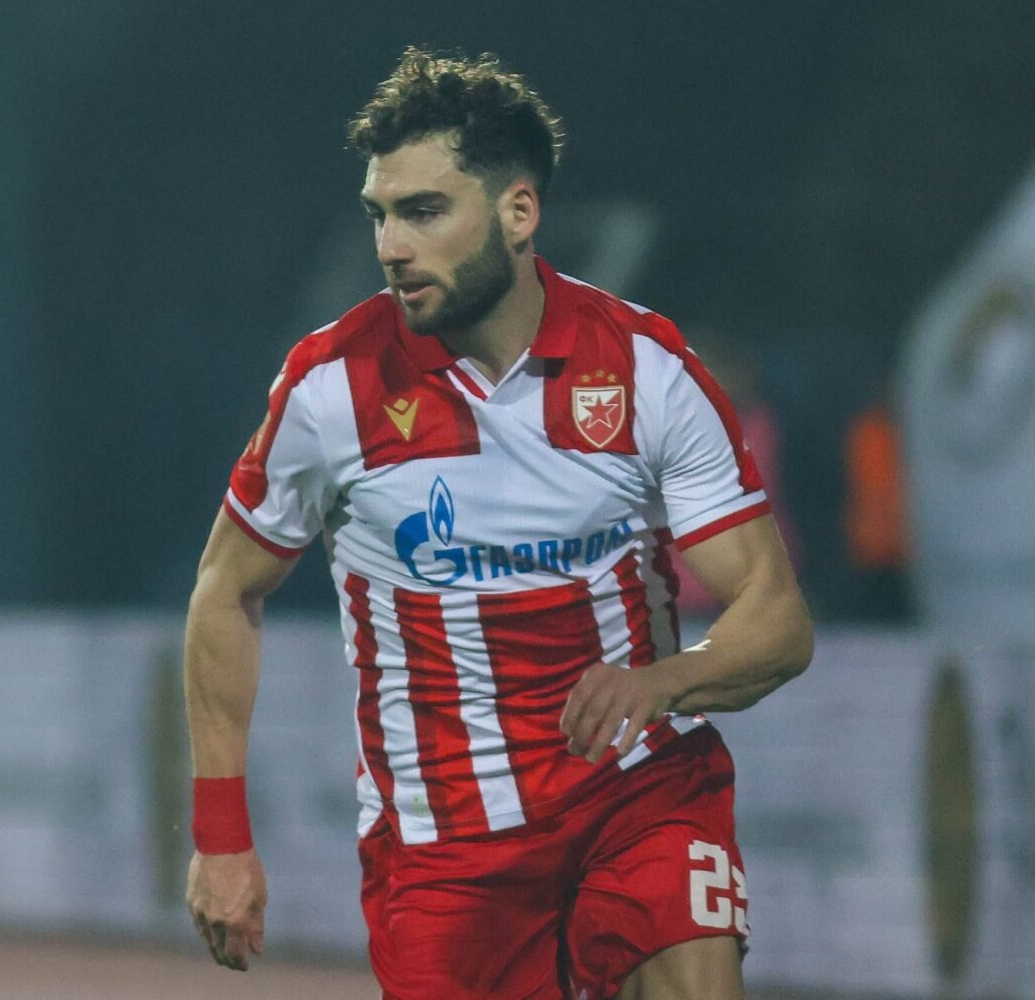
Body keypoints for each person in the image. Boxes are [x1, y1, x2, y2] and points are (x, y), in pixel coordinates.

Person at [182, 49, 814, 998]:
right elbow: (225, 589)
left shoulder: (646, 370)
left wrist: (666, 681)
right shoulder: (331, 389)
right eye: (380, 214)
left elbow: (777, 616)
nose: (392, 245)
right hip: (446, 849)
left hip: (636, 792)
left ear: (519, 212)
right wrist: (221, 835)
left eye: (424, 211)